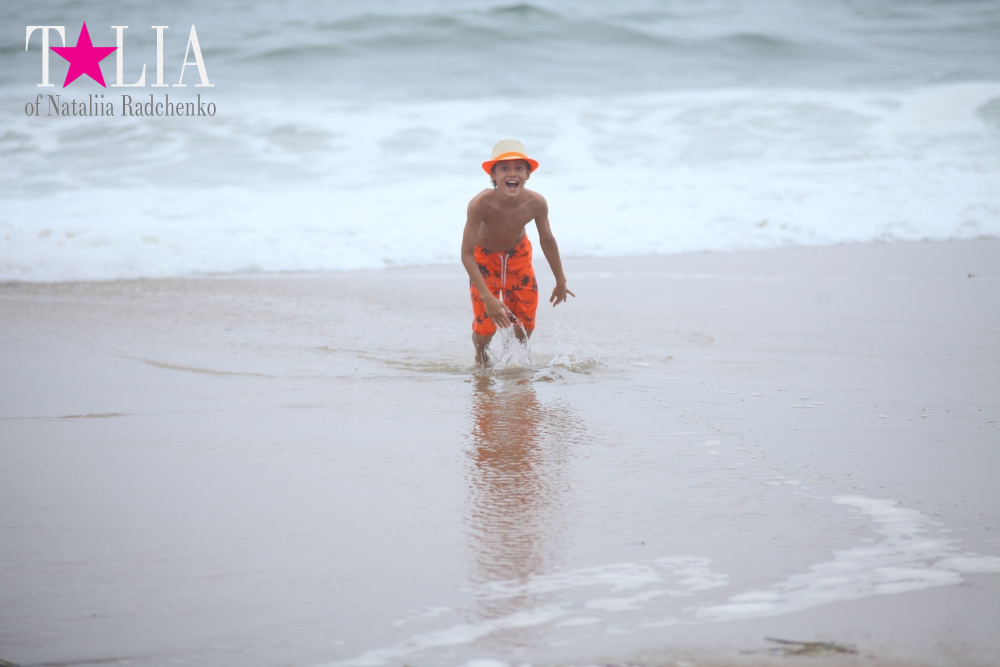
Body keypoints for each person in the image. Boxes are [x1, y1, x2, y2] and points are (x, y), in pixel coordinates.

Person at [461, 139, 574, 366]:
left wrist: (560, 280)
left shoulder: (536, 203)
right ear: (493, 175)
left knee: (525, 325)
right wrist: (487, 297)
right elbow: (466, 254)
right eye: (504, 168)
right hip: (484, 262)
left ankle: (513, 362)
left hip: (519, 259)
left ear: (528, 174)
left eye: (519, 168)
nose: (512, 173)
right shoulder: (480, 204)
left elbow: (547, 240)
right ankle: (481, 356)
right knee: (485, 328)